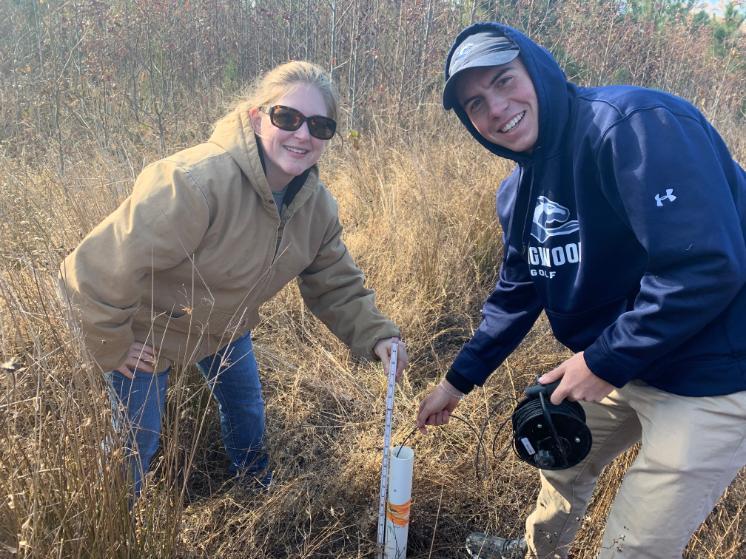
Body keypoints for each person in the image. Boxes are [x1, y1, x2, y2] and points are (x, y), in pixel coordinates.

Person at [416, 22, 746, 559]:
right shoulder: (517, 191)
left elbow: (706, 267)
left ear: (538, 71)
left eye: (503, 81)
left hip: (713, 373)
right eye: (476, 103)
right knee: (560, 462)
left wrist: (602, 361)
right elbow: (517, 291)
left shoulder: (634, 127)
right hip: (623, 361)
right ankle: (534, 553)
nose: (495, 108)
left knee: (633, 544)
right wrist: (457, 382)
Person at [59, 61, 408, 495]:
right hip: (149, 334)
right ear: (257, 117)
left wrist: (377, 335)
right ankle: (114, 526)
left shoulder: (315, 207)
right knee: (136, 444)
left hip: (224, 327)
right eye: (288, 117)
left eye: (319, 125)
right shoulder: (193, 182)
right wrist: (112, 343)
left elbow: (334, 281)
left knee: (247, 411)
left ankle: (255, 486)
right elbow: (94, 267)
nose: (302, 134)